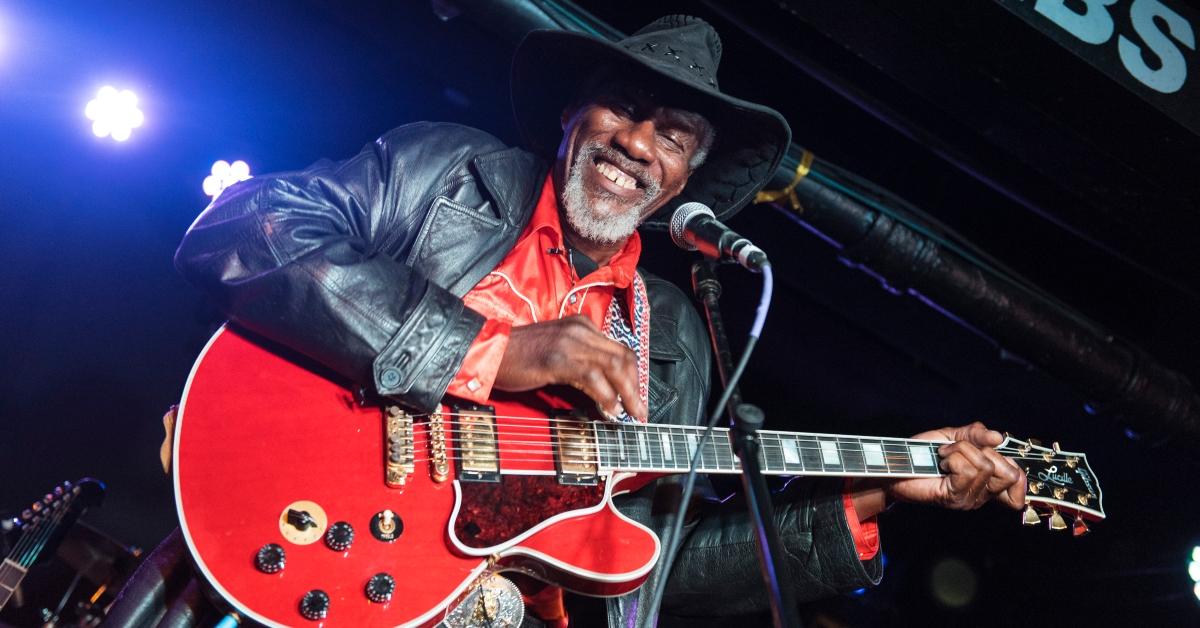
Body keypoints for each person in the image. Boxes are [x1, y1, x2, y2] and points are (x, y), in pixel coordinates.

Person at [169, 15, 1025, 627]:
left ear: (684, 180)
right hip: (332, 535)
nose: (636, 143)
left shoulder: (677, 338)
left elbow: (656, 562)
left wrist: (878, 490)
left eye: (674, 134)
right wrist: (490, 349)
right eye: (622, 108)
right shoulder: (446, 172)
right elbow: (247, 231)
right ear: (573, 115)